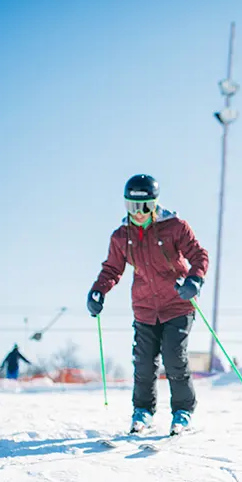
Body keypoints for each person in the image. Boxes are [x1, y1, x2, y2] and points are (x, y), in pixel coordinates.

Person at [87, 174, 209, 434]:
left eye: (145, 207)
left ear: (155, 204)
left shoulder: (175, 227)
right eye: (132, 207)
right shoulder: (121, 237)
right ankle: (142, 411)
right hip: (144, 308)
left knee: (174, 358)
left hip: (178, 304)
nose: (139, 213)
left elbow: (198, 255)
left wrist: (194, 280)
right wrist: (98, 291)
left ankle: (183, 412)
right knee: (143, 363)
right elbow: (112, 270)